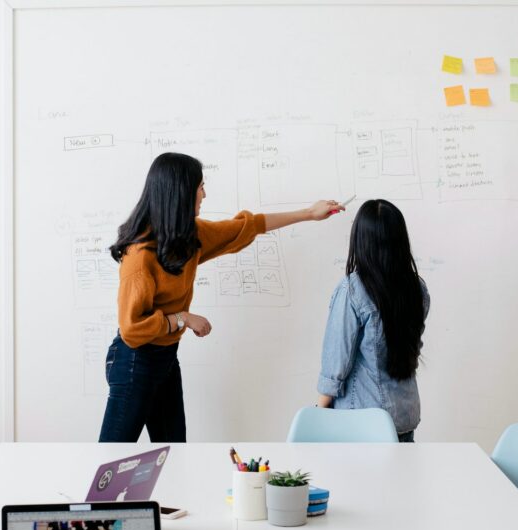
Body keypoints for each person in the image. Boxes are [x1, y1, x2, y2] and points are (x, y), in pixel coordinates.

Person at [99, 152, 343, 442]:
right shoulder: (139, 257)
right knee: (113, 459)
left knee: (174, 454)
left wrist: (308, 214)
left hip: (165, 358)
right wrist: (183, 318)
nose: (204, 193)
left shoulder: (188, 237)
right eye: (200, 186)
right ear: (180, 192)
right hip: (133, 361)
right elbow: (131, 329)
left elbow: (246, 226)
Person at [316, 199, 429, 442]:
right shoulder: (416, 288)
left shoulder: (352, 289)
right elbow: (411, 349)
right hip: (404, 417)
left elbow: (336, 365)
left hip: (361, 422)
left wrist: (318, 413)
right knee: (399, 480)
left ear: (360, 239)